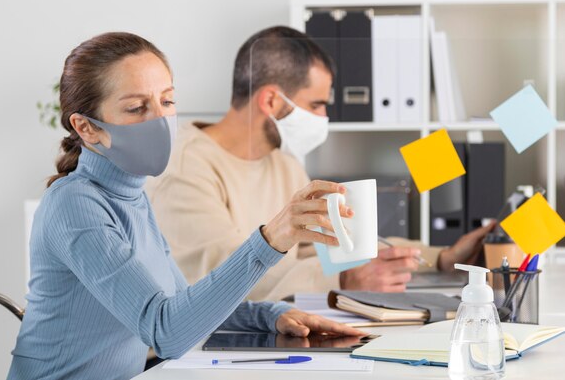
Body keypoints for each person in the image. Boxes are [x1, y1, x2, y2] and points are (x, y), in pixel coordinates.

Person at [7, 32, 365, 380]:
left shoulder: (133, 196)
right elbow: (167, 332)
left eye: (167, 101)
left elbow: (180, 304)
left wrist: (271, 314)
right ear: (86, 127)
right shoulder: (74, 205)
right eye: (136, 108)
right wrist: (270, 240)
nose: (160, 120)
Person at [146, 26, 495, 301]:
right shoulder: (184, 166)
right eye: (316, 105)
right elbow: (225, 275)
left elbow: (335, 246)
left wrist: (442, 258)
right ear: (270, 100)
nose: (324, 117)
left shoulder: (283, 166)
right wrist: (344, 279)